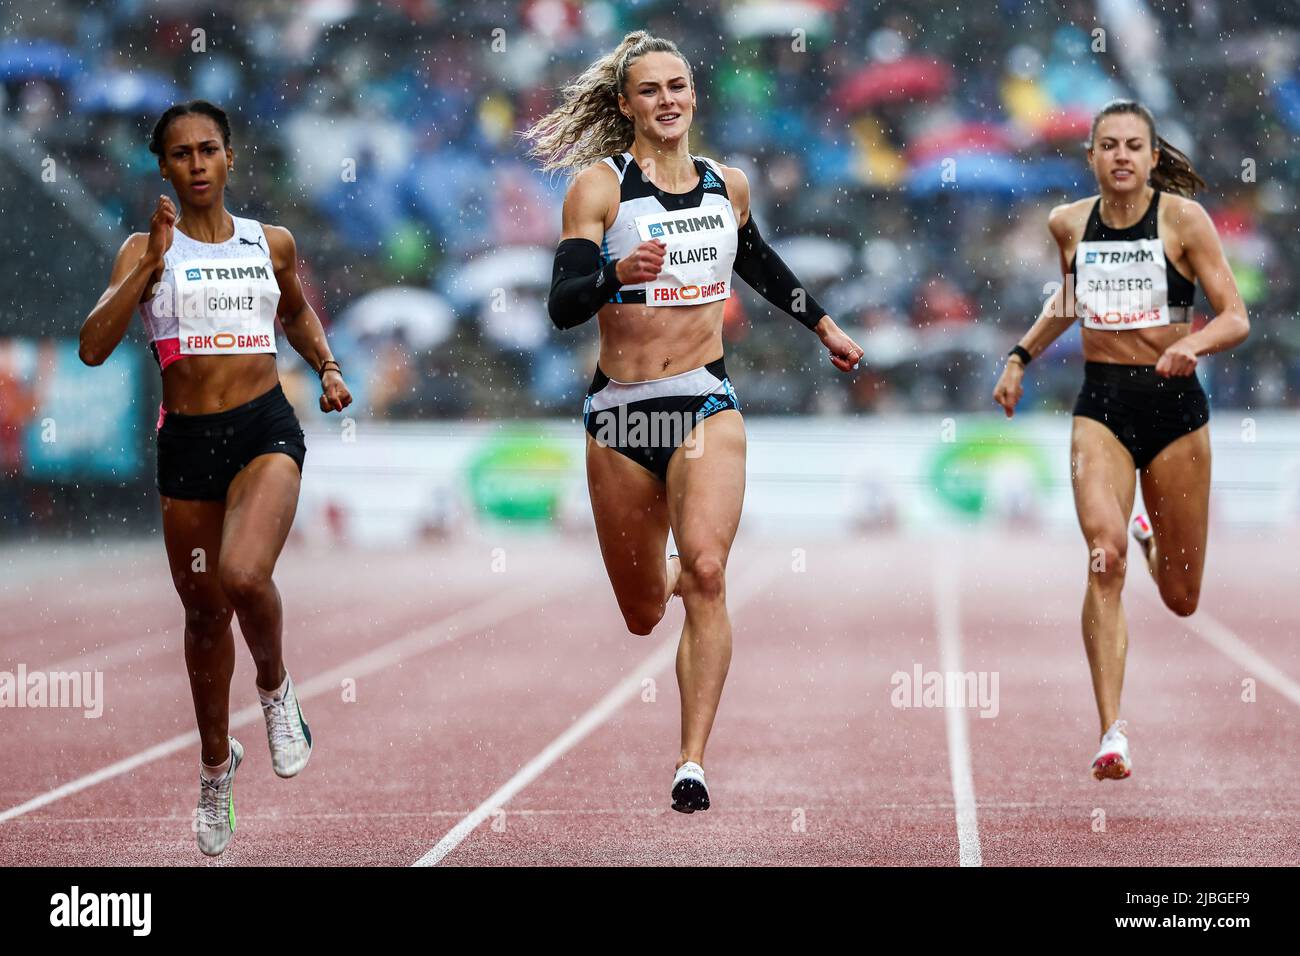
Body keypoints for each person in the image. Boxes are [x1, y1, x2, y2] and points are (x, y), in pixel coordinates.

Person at [525, 32, 863, 811]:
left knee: (708, 572)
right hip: (620, 414)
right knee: (645, 611)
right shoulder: (599, 189)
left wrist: (824, 325)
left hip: (705, 400)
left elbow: (760, 262)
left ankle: (691, 762)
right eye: (650, 90)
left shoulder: (727, 184)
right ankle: (663, 578)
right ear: (625, 105)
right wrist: (615, 273)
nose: (668, 101)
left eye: (678, 87)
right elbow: (561, 305)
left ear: (694, 96)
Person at [78, 100, 352, 854]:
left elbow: (294, 313)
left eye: (208, 150)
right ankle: (212, 767)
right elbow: (93, 347)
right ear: (162, 168)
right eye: (181, 154)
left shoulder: (272, 242)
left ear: (230, 159)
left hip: (264, 428)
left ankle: (274, 690)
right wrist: (148, 269)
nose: (197, 164)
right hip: (187, 444)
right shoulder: (142, 247)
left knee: (242, 573)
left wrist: (325, 366)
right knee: (203, 618)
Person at [993, 99, 1248, 780]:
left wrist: (1192, 344)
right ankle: (1111, 732)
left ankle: (1150, 533)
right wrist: (1020, 356)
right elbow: (1070, 301)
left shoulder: (1184, 221)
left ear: (1154, 156)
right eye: (1109, 145)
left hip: (1175, 411)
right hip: (1101, 405)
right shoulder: (1069, 222)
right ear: (1092, 157)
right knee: (1103, 558)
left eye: (1135, 145)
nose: (1123, 157)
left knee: (1182, 597)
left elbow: (1235, 316)